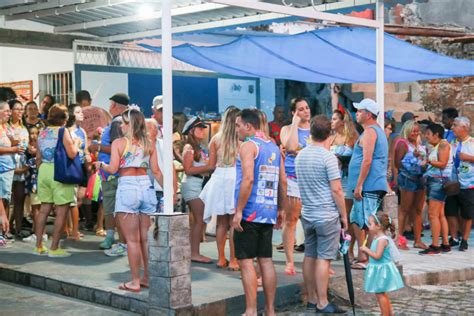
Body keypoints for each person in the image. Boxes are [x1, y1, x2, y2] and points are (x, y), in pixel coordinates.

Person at [94, 107, 162, 292]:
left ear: (131, 124)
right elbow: (156, 171)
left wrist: (101, 164)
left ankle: (134, 281)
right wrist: (169, 191)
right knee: (145, 239)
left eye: (124, 123)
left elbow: (113, 168)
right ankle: (147, 277)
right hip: (146, 186)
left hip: (127, 187)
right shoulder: (149, 143)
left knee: (132, 240)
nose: (121, 126)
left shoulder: (118, 143)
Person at [232, 109, 286, 316]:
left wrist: (238, 211)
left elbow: (248, 179)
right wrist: (280, 208)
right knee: (266, 259)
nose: (236, 129)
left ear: (248, 126)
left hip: (250, 211)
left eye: (238, 125)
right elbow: (283, 180)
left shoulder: (248, 146)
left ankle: (251, 310)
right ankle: (270, 310)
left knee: (246, 261)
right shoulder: (272, 146)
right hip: (268, 210)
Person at [296, 115, 347, 314]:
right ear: (330, 134)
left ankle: (311, 297)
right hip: (326, 214)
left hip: (307, 212)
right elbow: (337, 190)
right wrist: (343, 216)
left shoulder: (301, 155)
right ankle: (323, 302)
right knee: (324, 259)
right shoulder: (328, 158)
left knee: (309, 255)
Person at [347, 98, 388, 269]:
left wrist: (359, 185)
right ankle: (364, 255)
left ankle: (365, 257)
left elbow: (367, 160)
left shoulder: (371, 131)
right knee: (360, 220)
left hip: (368, 185)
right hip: (371, 184)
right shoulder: (375, 131)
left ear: (368, 114)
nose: (357, 113)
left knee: (365, 221)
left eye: (360, 111)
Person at [34, 104, 79, 257]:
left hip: (44, 170)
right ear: (64, 118)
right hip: (59, 171)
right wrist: (77, 143)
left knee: (44, 210)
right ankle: (54, 248)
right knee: (61, 211)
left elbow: (38, 157)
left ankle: (39, 245)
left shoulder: (42, 132)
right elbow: (72, 154)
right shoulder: (62, 131)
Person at [200, 107, 241, 271]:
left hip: (218, 178)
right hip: (234, 177)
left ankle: (221, 258)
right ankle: (233, 259)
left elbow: (210, 166)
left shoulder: (215, 139)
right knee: (233, 222)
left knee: (221, 222)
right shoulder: (242, 139)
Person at [91, 93, 129, 252]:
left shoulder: (117, 122)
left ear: (115, 106)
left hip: (112, 172)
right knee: (113, 206)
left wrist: (97, 147)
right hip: (114, 172)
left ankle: (117, 240)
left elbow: (117, 148)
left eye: (111, 104)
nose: (110, 107)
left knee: (112, 207)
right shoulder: (123, 121)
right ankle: (115, 238)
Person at [280, 97, 311, 275]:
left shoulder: (315, 129)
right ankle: (290, 261)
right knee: (291, 220)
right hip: (293, 179)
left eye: (307, 108)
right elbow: (290, 147)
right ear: (293, 112)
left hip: (311, 179)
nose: (306, 111)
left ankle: (316, 258)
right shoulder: (287, 129)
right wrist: (294, 124)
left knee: (313, 220)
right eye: (300, 109)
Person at [181, 116, 214, 263]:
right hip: (193, 184)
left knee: (198, 220)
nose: (203, 130)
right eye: (199, 128)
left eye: (203, 127)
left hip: (199, 184)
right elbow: (188, 169)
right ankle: (194, 253)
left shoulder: (200, 147)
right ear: (192, 130)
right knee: (199, 220)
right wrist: (208, 167)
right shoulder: (189, 147)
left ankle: (192, 252)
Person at [360, 212, 404, 316]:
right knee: (381, 292)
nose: (369, 226)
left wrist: (366, 250)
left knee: (380, 293)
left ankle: (385, 314)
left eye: (371, 224)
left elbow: (377, 256)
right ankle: (390, 313)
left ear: (378, 226)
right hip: (379, 269)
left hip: (381, 270)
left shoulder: (382, 240)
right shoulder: (378, 238)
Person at [418, 123, 452, 255]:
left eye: (428, 134)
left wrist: (427, 162)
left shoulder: (443, 145)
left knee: (433, 215)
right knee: (440, 214)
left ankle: (435, 245)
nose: (426, 137)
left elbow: (443, 163)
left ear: (436, 134)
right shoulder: (438, 146)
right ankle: (445, 243)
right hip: (438, 181)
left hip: (438, 181)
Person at [394, 120, 428, 250]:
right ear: (407, 130)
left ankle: (418, 240)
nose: (415, 133)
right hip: (408, 179)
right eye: (413, 130)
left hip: (420, 179)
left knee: (418, 210)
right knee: (405, 209)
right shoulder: (403, 143)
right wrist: (412, 162)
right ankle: (399, 240)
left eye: (417, 130)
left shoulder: (419, 144)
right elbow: (398, 163)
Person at [329, 109, 358, 260]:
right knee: (334, 216)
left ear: (342, 121)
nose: (331, 121)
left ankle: (349, 248)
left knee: (346, 216)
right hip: (333, 181)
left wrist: (339, 157)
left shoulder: (352, 137)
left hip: (346, 181)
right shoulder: (331, 139)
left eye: (334, 119)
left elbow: (356, 159)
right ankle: (335, 247)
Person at [66, 104, 90, 241]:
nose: (82, 114)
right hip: (72, 166)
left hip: (81, 166)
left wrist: (87, 156)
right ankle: (71, 229)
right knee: (72, 199)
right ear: (72, 114)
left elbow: (85, 149)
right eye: (78, 112)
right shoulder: (67, 131)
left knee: (80, 197)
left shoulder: (83, 131)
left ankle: (72, 227)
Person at [449, 117, 474, 251]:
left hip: (469, 184)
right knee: (451, 211)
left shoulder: (472, 143)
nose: (452, 128)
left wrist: (468, 158)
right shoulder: (452, 143)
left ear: (464, 128)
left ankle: (464, 239)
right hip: (453, 183)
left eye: (455, 125)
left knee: (467, 214)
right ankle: (454, 237)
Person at [7, 100, 29, 237]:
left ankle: (19, 228)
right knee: (7, 200)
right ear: (10, 111)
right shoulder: (5, 127)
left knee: (20, 198)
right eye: (17, 109)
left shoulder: (24, 128)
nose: (20, 112)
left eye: (22, 109)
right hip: (8, 164)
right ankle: (6, 229)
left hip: (21, 164)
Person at [0, 101, 22, 239]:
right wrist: (12, 149)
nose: (10, 113)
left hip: (8, 169)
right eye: (7, 111)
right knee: (1, 200)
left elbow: (12, 141)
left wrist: (16, 141)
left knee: (6, 200)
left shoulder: (5, 127)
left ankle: (4, 230)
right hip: (1, 169)